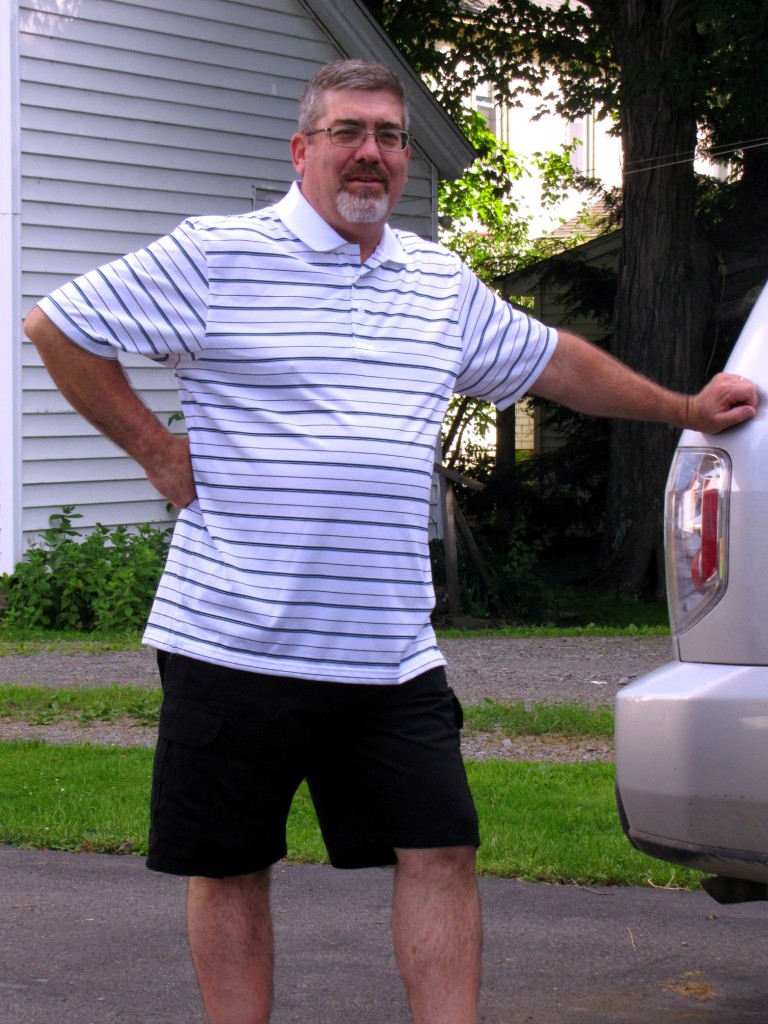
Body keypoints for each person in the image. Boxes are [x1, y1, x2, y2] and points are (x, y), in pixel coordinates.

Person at [24, 58, 757, 1024]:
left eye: (391, 137)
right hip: (235, 637)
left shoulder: (434, 281)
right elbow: (60, 325)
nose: (371, 154)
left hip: (389, 651)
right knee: (233, 864)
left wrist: (685, 407)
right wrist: (157, 451)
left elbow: (553, 362)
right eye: (348, 132)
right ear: (302, 150)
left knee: (443, 849)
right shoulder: (216, 254)